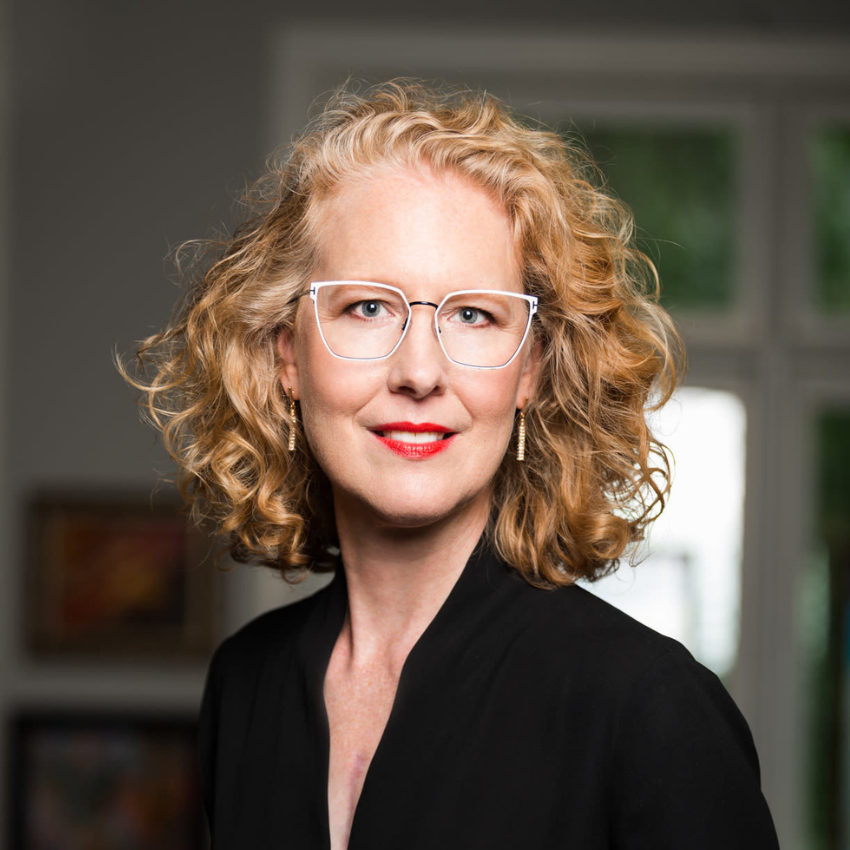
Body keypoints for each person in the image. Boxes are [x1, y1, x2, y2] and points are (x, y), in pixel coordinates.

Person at [125, 81, 779, 849]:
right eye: (367, 307)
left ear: (530, 369)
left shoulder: (648, 706)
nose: (420, 373)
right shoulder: (246, 685)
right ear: (286, 358)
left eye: (473, 315)